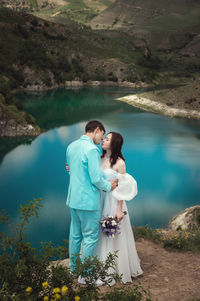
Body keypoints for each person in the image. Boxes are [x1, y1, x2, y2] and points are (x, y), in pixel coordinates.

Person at [66, 120, 118, 284]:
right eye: (102, 134)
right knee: (90, 237)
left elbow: (72, 171)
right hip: (88, 202)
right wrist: (109, 186)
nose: (101, 138)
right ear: (97, 130)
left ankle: (74, 270)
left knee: (75, 236)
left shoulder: (71, 146)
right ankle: (86, 274)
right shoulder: (92, 150)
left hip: (72, 199)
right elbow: (95, 179)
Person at [95, 131, 143, 284]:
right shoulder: (99, 157)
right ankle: (97, 264)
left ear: (114, 143)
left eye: (107, 139)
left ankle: (116, 268)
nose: (103, 140)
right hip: (98, 199)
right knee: (97, 231)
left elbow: (121, 188)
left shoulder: (120, 163)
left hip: (112, 200)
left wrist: (118, 209)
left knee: (112, 233)